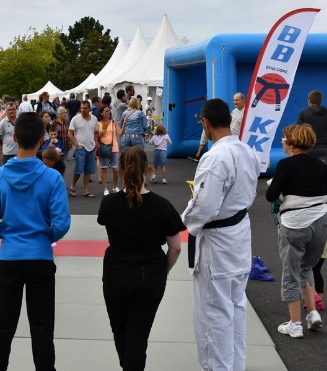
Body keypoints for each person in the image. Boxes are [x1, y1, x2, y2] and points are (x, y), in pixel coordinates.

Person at [0, 111, 71, 371]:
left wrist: (3, 232)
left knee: (3, 330)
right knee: (42, 329)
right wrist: (45, 236)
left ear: (14, 137)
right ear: (42, 140)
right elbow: (62, 223)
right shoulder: (52, 177)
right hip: (40, 259)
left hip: (10, 258)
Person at [181, 98, 259, 371]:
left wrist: (183, 221)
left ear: (205, 123)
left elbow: (205, 205)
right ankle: (236, 366)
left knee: (214, 314)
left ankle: (218, 368)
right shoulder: (246, 151)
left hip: (218, 243)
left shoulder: (214, 157)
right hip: (238, 235)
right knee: (236, 308)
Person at [98, 146, 184, 370]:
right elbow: (175, 248)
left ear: (121, 171)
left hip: (116, 272)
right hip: (150, 273)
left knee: (120, 329)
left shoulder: (109, 204)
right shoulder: (162, 206)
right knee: (139, 333)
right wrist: (162, 270)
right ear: (148, 169)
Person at [265, 124, 327, 339]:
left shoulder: (285, 164)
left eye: (284, 139)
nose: (282, 142)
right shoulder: (321, 166)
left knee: (291, 272)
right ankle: (312, 313)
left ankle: (295, 324)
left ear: (292, 144)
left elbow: (270, 195)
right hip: (322, 221)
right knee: (308, 266)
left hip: (295, 223)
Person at [190, 92, 245, 162]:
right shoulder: (234, 111)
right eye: (234, 100)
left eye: (237, 100)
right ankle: (197, 155)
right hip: (226, 141)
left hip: (235, 141)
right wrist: (204, 122)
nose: (235, 102)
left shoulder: (246, 113)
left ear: (243, 100)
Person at [297, 89, 327, 170]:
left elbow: (298, 131)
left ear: (309, 100)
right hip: (324, 148)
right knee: (324, 174)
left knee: (307, 172)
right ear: (321, 101)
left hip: (308, 147)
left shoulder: (303, 113)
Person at [68, 101, 99, 198]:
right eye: (81, 108)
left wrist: (96, 142)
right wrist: (76, 144)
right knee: (79, 169)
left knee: (88, 170)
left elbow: (96, 132)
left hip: (91, 147)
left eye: (85, 108)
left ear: (90, 109)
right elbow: (69, 133)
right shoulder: (76, 119)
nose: (83, 110)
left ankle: (86, 190)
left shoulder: (94, 119)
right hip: (80, 147)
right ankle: (73, 185)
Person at [97, 105, 122, 196]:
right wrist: (101, 134)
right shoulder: (99, 124)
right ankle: (105, 188)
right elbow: (97, 138)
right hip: (103, 147)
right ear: (101, 113)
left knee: (116, 169)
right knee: (104, 169)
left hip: (114, 147)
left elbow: (120, 133)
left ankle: (114, 186)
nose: (108, 112)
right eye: (106, 111)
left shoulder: (113, 122)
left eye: (109, 111)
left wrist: (124, 125)